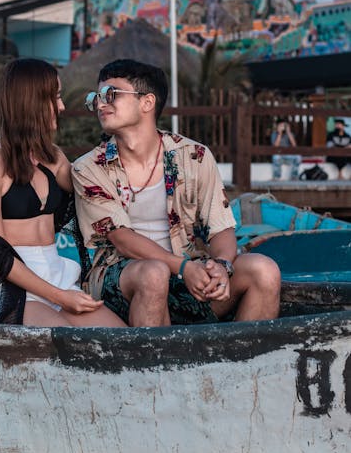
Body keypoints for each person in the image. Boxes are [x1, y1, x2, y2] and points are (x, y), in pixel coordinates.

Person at [72, 59, 280, 327]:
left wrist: (222, 266)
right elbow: (122, 239)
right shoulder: (89, 168)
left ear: (147, 102)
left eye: (111, 95)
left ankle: (243, 365)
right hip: (123, 279)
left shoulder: (195, 156)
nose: (100, 104)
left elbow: (221, 228)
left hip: (189, 273)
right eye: (96, 97)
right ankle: (154, 365)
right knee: (154, 274)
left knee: (264, 270)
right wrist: (182, 268)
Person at [0, 57, 125, 328]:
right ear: (31, 101)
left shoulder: (53, 156)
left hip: (59, 276)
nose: (62, 106)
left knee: (121, 339)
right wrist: (60, 298)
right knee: (67, 345)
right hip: (15, 289)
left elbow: (88, 187)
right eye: (55, 97)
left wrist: (122, 133)